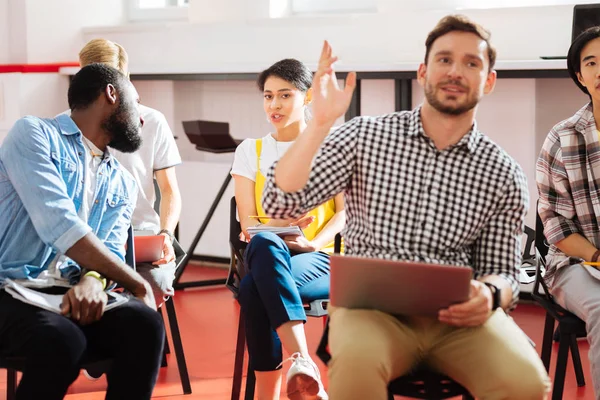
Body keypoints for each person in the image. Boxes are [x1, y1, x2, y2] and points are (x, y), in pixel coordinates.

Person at [262, 15, 551, 400]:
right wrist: (320, 125)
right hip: (371, 313)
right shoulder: (366, 136)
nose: (455, 72)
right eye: (444, 59)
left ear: (489, 80)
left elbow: (504, 272)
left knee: (525, 382)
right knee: (356, 369)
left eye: (471, 63)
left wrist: (492, 294)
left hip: (458, 320)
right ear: (422, 72)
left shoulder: (502, 172)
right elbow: (279, 201)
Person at [0, 64, 165, 400]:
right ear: (111, 94)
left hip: (65, 293)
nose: (142, 120)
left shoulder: (122, 180)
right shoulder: (32, 134)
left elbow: (110, 250)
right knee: (63, 339)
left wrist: (93, 281)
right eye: (137, 105)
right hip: (9, 286)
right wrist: (135, 282)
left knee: (144, 325)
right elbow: (58, 223)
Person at [231, 58, 345, 400]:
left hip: (322, 258)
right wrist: (285, 226)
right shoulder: (250, 151)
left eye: (285, 95)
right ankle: (303, 362)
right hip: (269, 252)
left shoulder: (329, 146)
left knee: (255, 288)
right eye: (268, 96)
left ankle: (273, 391)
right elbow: (247, 221)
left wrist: (314, 243)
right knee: (266, 246)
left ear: (307, 96)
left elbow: (344, 215)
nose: (274, 105)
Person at [74, 38, 183, 307]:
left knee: (152, 286)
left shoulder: (151, 121)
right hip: (87, 239)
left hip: (140, 236)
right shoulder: (67, 124)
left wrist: (166, 234)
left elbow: (170, 191)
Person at [537, 26, 600, 398]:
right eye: (591, 63)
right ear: (580, 75)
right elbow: (556, 228)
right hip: (578, 264)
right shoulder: (563, 138)